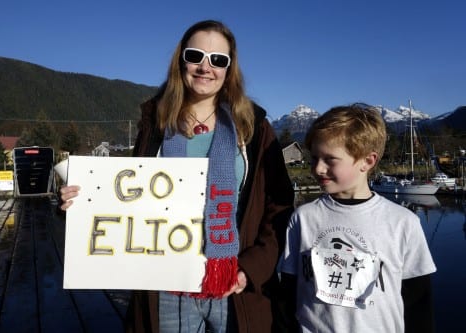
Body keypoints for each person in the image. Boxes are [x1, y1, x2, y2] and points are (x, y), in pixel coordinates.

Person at [60, 19, 294, 332]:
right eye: (195, 55)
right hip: (167, 282)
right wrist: (82, 201)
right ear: (181, 60)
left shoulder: (253, 127)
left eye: (218, 60)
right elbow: (132, 197)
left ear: (229, 68)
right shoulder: (156, 123)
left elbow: (278, 206)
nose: (205, 67)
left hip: (232, 280)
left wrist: (251, 269)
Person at [280, 105, 437, 332]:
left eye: (330, 159)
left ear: (367, 161)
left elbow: (418, 302)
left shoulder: (403, 222)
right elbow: (287, 292)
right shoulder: (303, 218)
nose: (318, 168)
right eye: (314, 158)